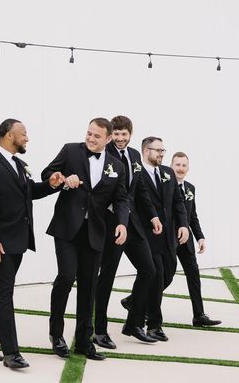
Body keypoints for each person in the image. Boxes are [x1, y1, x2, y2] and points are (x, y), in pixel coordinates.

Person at [0, 119, 64, 370]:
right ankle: (11, 353)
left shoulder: (19, 165)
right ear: (9, 135)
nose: (27, 138)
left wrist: (52, 185)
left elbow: (29, 192)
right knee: (3, 293)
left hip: (18, 240)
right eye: (23, 134)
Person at [42, 118, 129, 361]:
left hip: (95, 231)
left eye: (96, 136)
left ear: (108, 139)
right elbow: (48, 173)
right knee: (67, 276)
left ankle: (84, 341)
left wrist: (122, 222)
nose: (90, 139)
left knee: (89, 286)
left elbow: (121, 199)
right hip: (67, 228)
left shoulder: (116, 166)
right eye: (89, 133)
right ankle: (56, 334)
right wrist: (59, 178)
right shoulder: (71, 150)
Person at [94, 116, 162, 348]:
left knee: (149, 270)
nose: (121, 139)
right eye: (117, 134)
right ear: (111, 134)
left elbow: (140, 188)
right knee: (106, 278)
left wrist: (153, 215)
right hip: (111, 225)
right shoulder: (104, 155)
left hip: (133, 225)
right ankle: (99, 330)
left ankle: (133, 324)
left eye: (125, 134)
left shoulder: (134, 155)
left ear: (130, 134)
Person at [125, 136, 189, 342]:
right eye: (158, 151)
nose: (162, 154)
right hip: (147, 234)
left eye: (163, 151)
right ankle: (153, 325)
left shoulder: (168, 173)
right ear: (145, 151)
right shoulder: (137, 173)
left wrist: (183, 225)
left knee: (168, 273)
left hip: (169, 235)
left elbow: (178, 202)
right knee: (157, 275)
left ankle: (134, 301)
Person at [171, 152, 221, 327]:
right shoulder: (165, 185)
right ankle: (135, 301)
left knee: (194, 274)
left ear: (188, 168)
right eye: (177, 164)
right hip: (169, 239)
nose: (180, 168)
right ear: (171, 166)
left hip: (187, 241)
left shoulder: (190, 188)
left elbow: (192, 216)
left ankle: (199, 315)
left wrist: (200, 237)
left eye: (184, 165)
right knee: (164, 276)